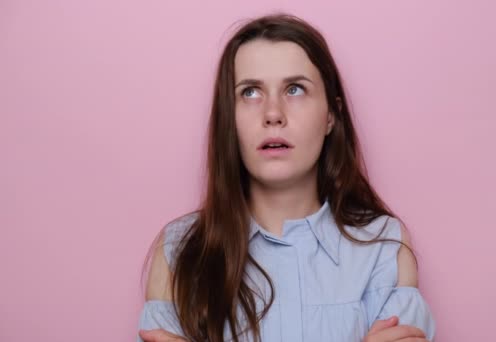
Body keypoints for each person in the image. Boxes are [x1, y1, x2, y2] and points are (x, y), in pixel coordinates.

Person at [137, 13, 435, 342]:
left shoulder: (383, 248)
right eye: (250, 92)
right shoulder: (180, 252)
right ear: (228, 119)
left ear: (331, 117)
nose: (273, 114)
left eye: (294, 89)